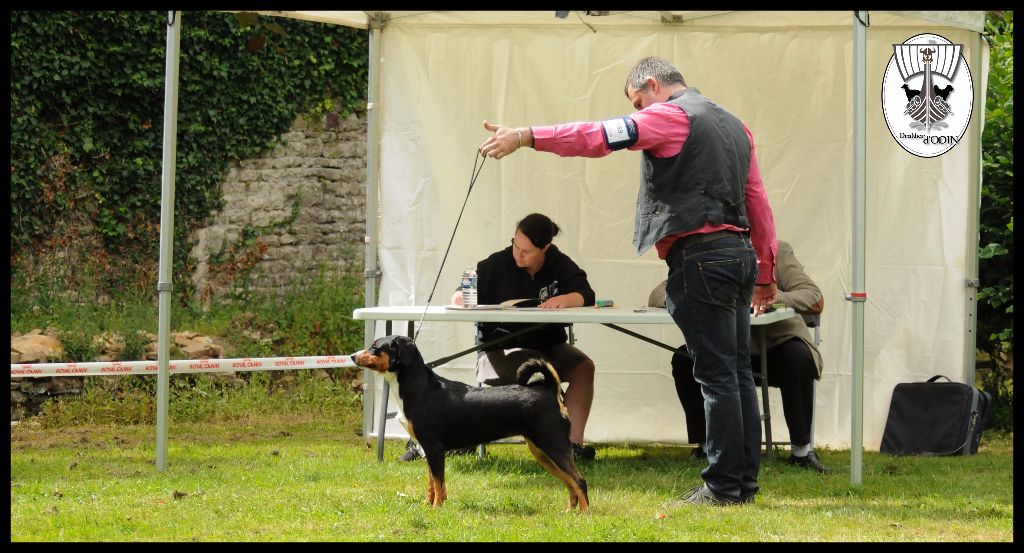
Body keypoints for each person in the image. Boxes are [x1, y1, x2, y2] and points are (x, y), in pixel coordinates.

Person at [479, 56, 778, 506]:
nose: (639, 113)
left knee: (717, 377)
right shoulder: (737, 127)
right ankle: (742, 485)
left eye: (638, 103)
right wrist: (766, 271)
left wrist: (526, 136)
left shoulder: (669, 116)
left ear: (653, 86)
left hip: (700, 257)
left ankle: (721, 488)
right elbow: (757, 200)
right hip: (738, 255)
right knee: (735, 374)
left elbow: (597, 136)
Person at [648, 239, 828, 473]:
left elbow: (814, 297)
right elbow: (657, 295)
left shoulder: (775, 250)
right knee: (684, 359)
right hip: (723, 349)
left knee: (799, 358)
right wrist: (705, 297)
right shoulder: (704, 254)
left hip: (775, 346)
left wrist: (765, 295)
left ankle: (802, 451)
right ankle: (705, 446)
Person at [452, 213, 598, 460]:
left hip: (549, 344)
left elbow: (587, 294)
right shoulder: (496, 264)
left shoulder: (559, 263)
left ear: (546, 249)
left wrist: (566, 299)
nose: (518, 254)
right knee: (538, 365)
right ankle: (553, 445)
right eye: (515, 245)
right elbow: (463, 292)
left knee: (584, 367)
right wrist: (459, 297)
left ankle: (572, 446)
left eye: (526, 251)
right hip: (501, 349)